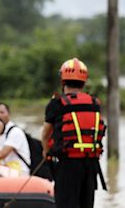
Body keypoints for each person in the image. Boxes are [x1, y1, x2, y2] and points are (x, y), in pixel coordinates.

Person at [41, 57, 106, 208]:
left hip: (67, 163)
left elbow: (45, 134)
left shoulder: (56, 104)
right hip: (91, 164)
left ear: (63, 81)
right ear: (84, 82)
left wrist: (46, 152)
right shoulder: (94, 103)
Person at [0, 102, 31, 176]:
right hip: (4, 168)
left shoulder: (15, 131)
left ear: (8, 113)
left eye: (2, 112)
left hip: (19, 170)